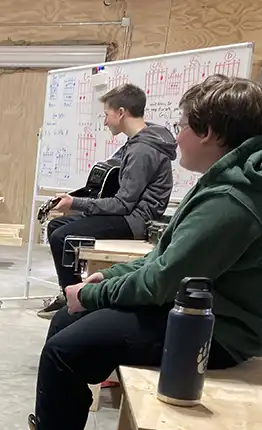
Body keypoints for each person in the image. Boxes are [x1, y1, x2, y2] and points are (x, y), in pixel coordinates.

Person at [0, 75, 262, 430]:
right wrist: (106, 278)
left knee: (66, 350)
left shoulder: (235, 199)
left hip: (218, 333)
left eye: (182, 125)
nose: (176, 136)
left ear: (210, 133)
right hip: (199, 310)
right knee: (66, 321)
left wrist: (91, 292)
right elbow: (167, 258)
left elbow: (160, 282)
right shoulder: (239, 177)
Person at [38, 83, 177, 319]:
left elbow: (123, 204)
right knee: (56, 227)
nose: (105, 122)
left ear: (121, 112)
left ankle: (77, 301)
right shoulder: (139, 141)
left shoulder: (142, 150)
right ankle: (70, 291)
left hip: (135, 221)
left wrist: (75, 204)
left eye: (106, 115)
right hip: (128, 214)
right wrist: (77, 200)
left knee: (63, 236)